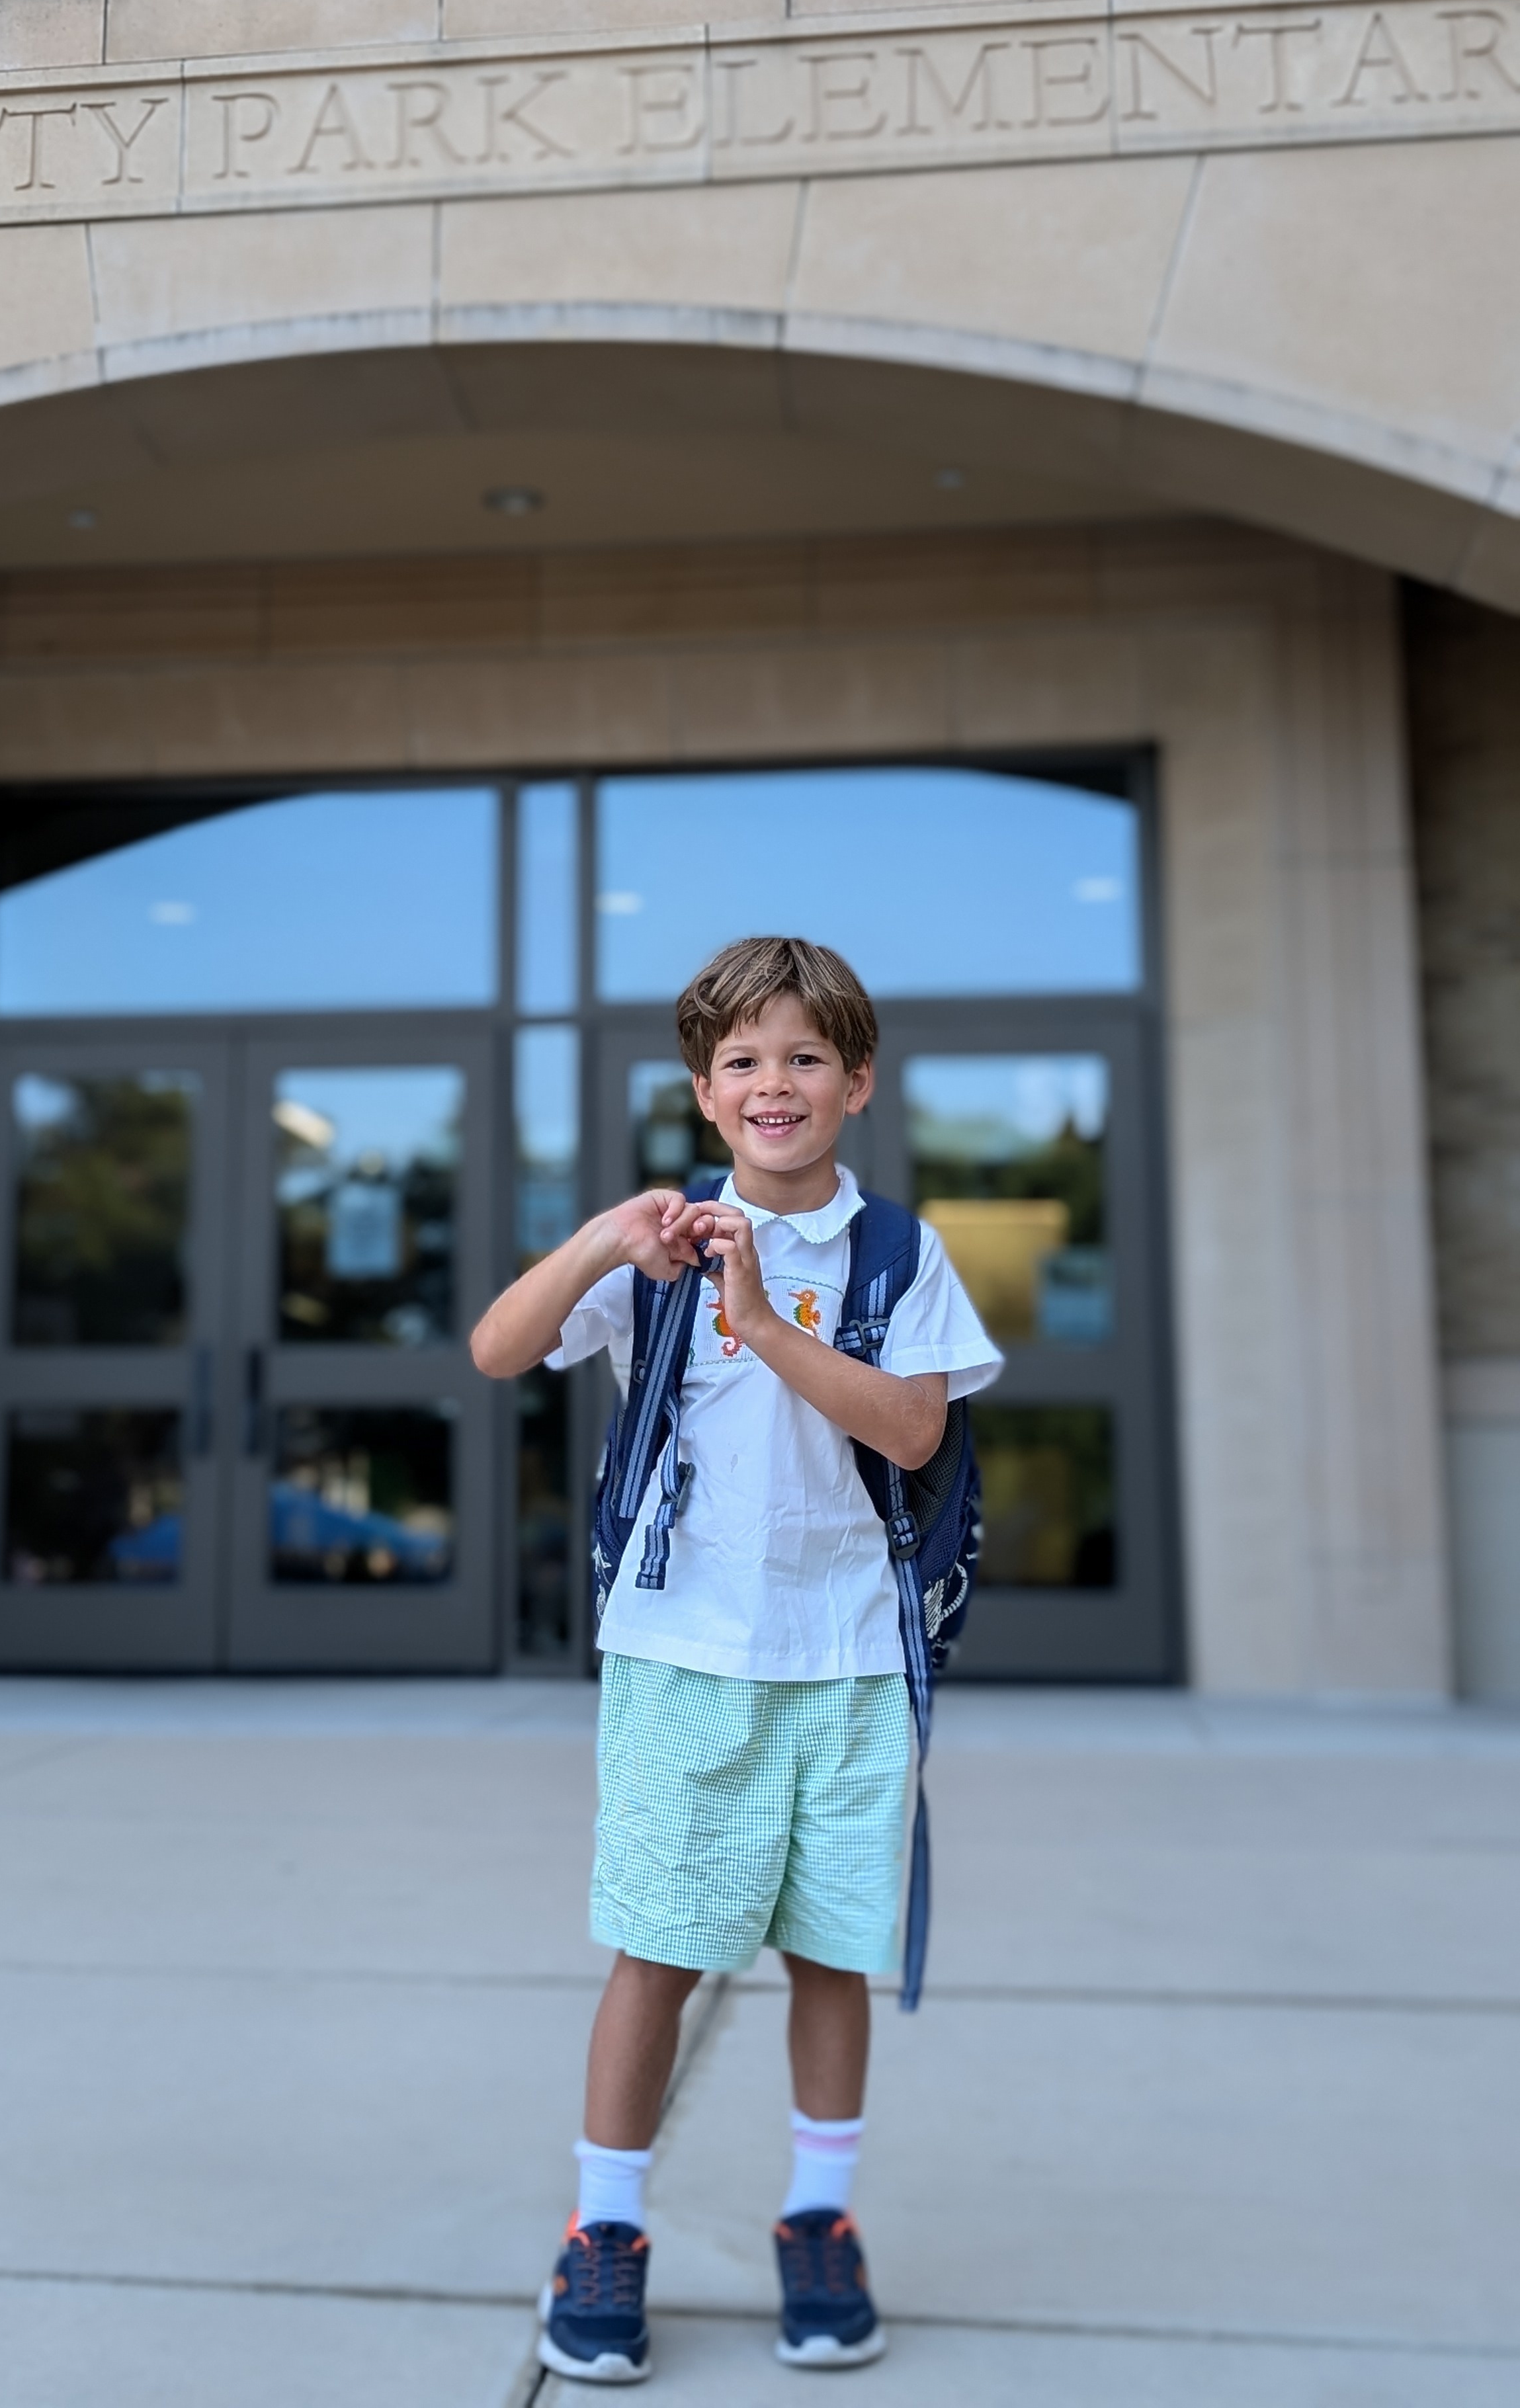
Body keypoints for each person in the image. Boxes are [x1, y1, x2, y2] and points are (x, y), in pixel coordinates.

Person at [471, 935, 1001, 2382]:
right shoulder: (658, 1245)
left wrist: (760, 1321)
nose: (777, 1083)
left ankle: (818, 2222)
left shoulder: (899, 1253)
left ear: (858, 1083)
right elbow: (498, 1350)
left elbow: (911, 1430)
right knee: (662, 1953)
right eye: (744, 1063)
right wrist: (599, 1241)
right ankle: (607, 2233)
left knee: (834, 1954)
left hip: (847, 1660)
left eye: (806, 1057)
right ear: (707, 1097)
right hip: (683, 1654)